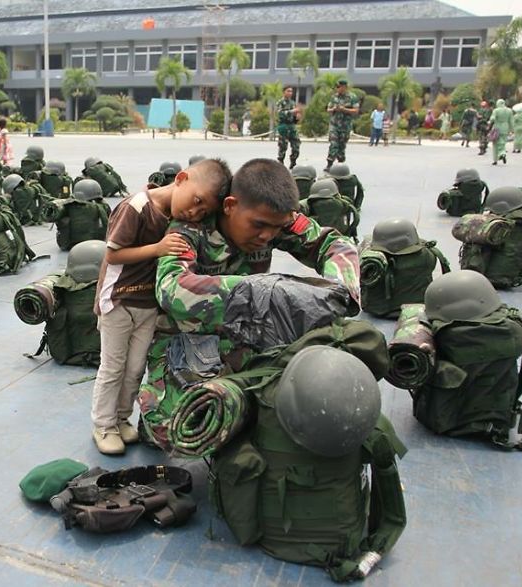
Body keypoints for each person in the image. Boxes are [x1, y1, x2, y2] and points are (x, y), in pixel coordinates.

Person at [138, 159, 361, 448]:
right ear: (230, 205)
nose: (267, 236)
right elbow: (171, 289)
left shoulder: (275, 217)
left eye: (275, 228)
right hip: (194, 339)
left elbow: (335, 246)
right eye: (258, 226)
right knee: (174, 431)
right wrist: (256, 292)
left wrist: (338, 291)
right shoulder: (190, 229)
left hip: (253, 329)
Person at [90, 158, 233, 455]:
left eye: (203, 211)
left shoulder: (178, 219)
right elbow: (113, 255)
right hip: (119, 301)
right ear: (181, 178)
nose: (194, 212)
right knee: (113, 367)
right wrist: (157, 249)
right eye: (196, 201)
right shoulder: (136, 207)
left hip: (147, 306)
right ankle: (103, 426)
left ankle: (120, 419)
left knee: (135, 368)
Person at [325, 79, 359, 171]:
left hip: (345, 126)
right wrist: (334, 109)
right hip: (334, 125)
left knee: (341, 146)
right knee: (333, 143)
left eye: (339, 87)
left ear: (344, 87)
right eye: (336, 87)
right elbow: (328, 109)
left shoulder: (352, 97)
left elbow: (356, 111)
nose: (337, 89)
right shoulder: (334, 97)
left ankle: (341, 164)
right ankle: (329, 163)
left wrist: (344, 109)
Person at [275, 86, 300, 168]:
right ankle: (280, 162)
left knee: (296, 145)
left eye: (291, 91)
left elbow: (295, 117)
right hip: (283, 126)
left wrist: (297, 117)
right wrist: (291, 112)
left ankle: (293, 162)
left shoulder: (293, 103)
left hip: (292, 126)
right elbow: (280, 114)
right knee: (283, 146)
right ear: (284, 92)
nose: (290, 93)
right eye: (288, 91)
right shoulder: (280, 102)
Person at [489, 98, 512, 165]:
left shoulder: (496, 110)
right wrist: (511, 130)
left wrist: (490, 122)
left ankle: (496, 159)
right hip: (505, 128)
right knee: (503, 143)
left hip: (497, 128)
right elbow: (511, 121)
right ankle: (502, 153)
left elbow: (492, 118)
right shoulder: (509, 111)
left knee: (495, 144)